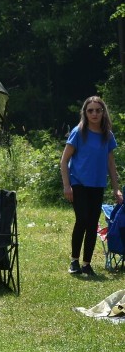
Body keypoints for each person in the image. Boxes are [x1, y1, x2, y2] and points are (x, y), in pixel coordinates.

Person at [60, 95, 123, 276]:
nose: (94, 114)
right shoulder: (79, 132)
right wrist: (67, 186)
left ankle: (87, 264)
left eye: (98, 110)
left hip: (97, 185)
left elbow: (111, 164)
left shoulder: (107, 135)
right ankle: (74, 261)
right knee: (82, 220)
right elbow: (64, 161)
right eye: (90, 111)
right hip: (78, 183)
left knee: (93, 223)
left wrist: (116, 188)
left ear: (103, 112)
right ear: (85, 113)